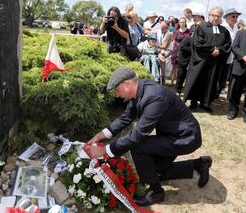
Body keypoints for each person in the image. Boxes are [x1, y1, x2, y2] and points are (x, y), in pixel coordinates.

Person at [86, 67, 212, 206]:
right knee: (154, 172)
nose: (117, 95)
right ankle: (200, 164)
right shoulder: (139, 90)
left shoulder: (153, 97)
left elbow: (137, 136)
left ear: (127, 84)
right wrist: (100, 136)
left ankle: (156, 193)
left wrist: (104, 150)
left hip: (185, 137)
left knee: (139, 147)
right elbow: (125, 119)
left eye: (117, 90)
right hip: (172, 134)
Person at [183, 7, 231, 112]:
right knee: (198, 81)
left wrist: (220, 50)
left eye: (218, 16)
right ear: (209, 15)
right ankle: (194, 103)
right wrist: (212, 49)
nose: (215, 18)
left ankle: (206, 104)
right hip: (202, 60)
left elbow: (227, 45)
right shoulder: (201, 27)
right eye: (213, 15)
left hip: (215, 62)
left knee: (211, 82)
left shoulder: (224, 30)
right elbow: (198, 43)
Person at [218, 8, 241, 95]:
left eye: (237, 16)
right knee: (219, 73)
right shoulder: (222, 26)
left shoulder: (235, 27)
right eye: (233, 16)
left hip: (232, 56)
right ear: (227, 17)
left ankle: (221, 88)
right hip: (222, 55)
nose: (235, 18)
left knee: (225, 73)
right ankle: (216, 90)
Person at [170, 17, 191, 85]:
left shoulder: (189, 31)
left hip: (185, 51)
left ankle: (183, 83)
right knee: (175, 67)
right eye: (181, 22)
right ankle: (172, 81)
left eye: (183, 22)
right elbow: (173, 41)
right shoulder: (176, 31)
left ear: (185, 23)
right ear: (179, 23)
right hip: (176, 50)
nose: (182, 23)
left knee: (184, 68)